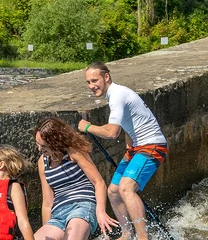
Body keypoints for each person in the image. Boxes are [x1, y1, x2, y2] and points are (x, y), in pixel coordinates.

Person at [78, 61, 168, 240]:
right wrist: (130, 143)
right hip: (137, 147)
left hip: (152, 145)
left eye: (94, 80)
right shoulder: (116, 94)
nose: (91, 86)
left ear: (106, 77)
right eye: (88, 82)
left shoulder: (117, 94)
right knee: (113, 191)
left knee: (126, 188)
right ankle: (127, 234)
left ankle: (143, 238)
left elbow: (112, 132)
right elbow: (130, 120)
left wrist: (88, 127)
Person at [33, 117, 117, 240]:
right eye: (37, 144)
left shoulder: (74, 152)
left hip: (82, 205)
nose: (39, 149)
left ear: (56, 143)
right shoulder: (42, 161)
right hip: (58, 213)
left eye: (44, 146)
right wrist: (47, 226)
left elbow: (98, 182)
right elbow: (47, 203)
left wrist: (100, 211)